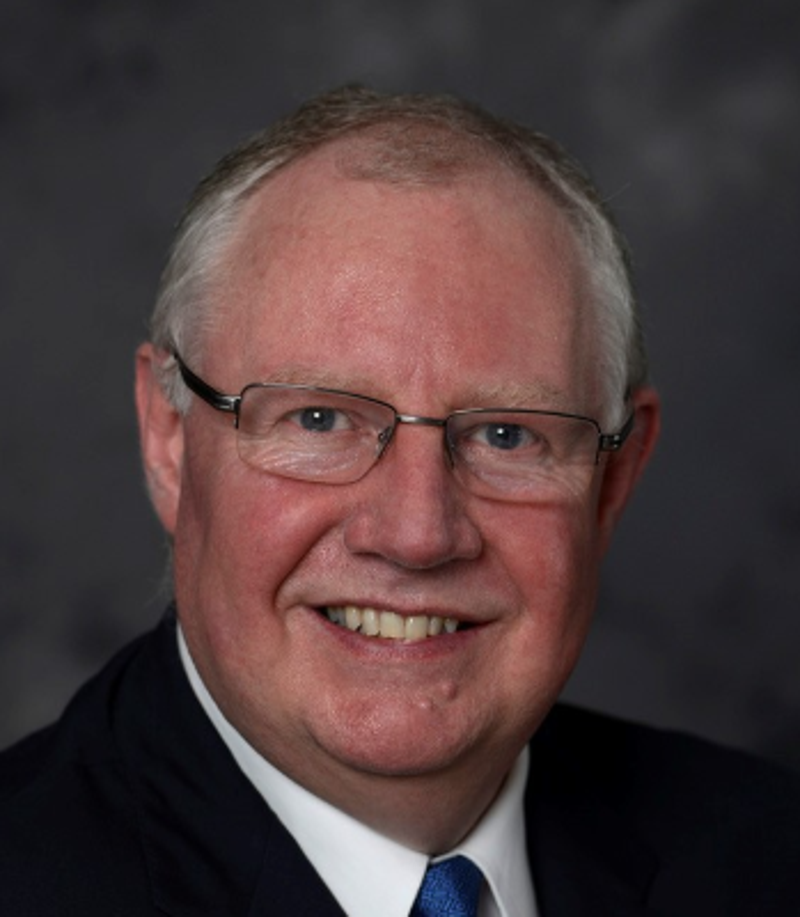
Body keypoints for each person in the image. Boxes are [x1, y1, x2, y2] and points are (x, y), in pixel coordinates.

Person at [1, 85, 798, 916]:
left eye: (506, 436)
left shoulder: (769, 858)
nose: (418, 532)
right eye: (319, 418)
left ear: (614, 478)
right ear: (169, 437)